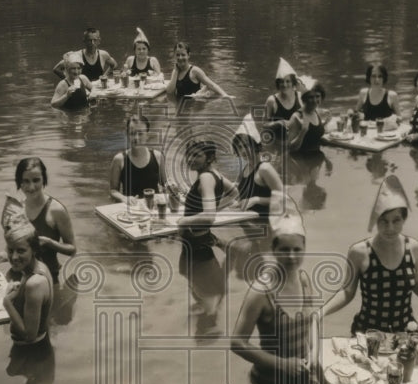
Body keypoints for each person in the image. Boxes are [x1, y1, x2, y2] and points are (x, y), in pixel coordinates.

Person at [231, 209, 319, 384]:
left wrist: (314, 351)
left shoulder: (304, 280)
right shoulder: (261, 292)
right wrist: (282, 364)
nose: (291, 256)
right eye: (284, 249)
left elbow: (312, 319)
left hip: (301, 377)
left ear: (304, 249)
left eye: (297, 250)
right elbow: (236, 342)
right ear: (273, 249)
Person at [323, 175, 418, 334]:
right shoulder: (359, 252)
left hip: (405, 332)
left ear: (404, 219)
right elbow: (347, 292)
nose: (390, 228)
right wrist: (321, 312)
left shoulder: (413, 248)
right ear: (375, 220)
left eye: (396, 220)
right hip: (368, 332)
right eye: (383, 221)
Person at [176, 139, 240, 324]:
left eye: (197, 155)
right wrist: (218, 206)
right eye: (189, 154)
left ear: (210, 157)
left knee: (188, 274)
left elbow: (209, 216)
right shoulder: (215, 175)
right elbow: (235, 193)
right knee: (191, 277)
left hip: (196, 243)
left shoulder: (205, 178)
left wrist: (184, 221)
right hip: (202, 239)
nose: (191, 159)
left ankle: (207, 311)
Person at [1, 157, 76, 285]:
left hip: (46, 279)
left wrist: (49, 242)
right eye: (26, 181)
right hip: (19, 275)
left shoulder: (56, 210)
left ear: (44, 180)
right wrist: (1, 256)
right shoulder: (16, 209)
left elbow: (72, 250)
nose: (31, 187)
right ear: (19, 182)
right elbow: (16, 247)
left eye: (36, 180)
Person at [229, 114, 286, 280]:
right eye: (239, 147)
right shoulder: (246, 169)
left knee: (267, 269)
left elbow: (284, 200)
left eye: (246, 145)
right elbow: (240, 195)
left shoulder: (265, 169)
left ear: (255, 146)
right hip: (252, 227)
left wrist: (256, 200)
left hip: (268, 228)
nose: (243, 150)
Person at [2, 213, 54, 346]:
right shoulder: (39, 265)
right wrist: (2, 257)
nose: (13, 257)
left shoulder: (34, 283)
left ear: (34, 250)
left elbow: (29, 336)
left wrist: (7, 302)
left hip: (31, 351)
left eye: (20, 251)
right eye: (10, 250)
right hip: (39, 342)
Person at [109, 114, 166, 203]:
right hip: (131, 209)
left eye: (140, 133)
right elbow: (113, 191)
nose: (136, 138)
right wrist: (124, 198)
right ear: (127, 135)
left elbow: (165, 185)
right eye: (132, 133)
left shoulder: (158, 157)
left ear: (147, 135)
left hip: (153, 207)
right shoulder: (119, 160)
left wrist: (172, 189)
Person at [53, 27, 117, 81]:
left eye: (95, 40)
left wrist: (105, 76)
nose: (92, 43)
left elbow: (114, 65)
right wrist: (70, 81)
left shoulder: (103, 55)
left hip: (98, 91)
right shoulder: (77, 55)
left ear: (99, 41)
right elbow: (57, 69)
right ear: (84, 41)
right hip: (84, 91)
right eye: (89, 40)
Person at [263, 58, 302, 130]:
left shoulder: (300, 97)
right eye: (281, 82)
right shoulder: (272, 100)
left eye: (288, 81)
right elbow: (264, 124)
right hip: (278, 138)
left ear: (293, 82)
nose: (284, 85)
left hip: (297, 139)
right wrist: (278, 123)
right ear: (278, 83)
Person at [286, 85, 326, 153]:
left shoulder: (317, 112)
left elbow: (314, 135)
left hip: (317, 156)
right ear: (305, 99)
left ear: (321, 97)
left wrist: (326, 122)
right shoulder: (296, 117)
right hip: (301, 159)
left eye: (317, 96)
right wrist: (303, 132)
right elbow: (290, 148)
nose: (314, 100)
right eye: (311, 97)